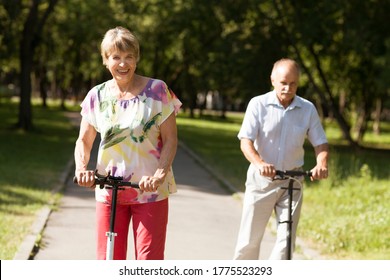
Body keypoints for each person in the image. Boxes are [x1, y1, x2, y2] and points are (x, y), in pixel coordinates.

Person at [74, 26, 182, 260]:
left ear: (136, 59)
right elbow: (84, 139)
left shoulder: (158, 91)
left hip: (149, 191)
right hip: (109, 191)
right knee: (108, 260)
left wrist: (159, 176)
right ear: (106, 60)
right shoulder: (97, 96)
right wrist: (81, 169)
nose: (123, 64)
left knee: (149, 263)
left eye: (128, 57)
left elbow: (171, 140)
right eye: (116, 57)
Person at [233, 58, 329, 260]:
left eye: (293, 83)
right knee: (249, 241)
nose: (288, 87)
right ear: (273, 80)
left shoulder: (307, 109)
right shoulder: (258, 104)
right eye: (284, 82)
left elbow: (320, 142)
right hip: (262, 182)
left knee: (286, 242)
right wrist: (260, 164)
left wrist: (321, 163)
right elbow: (245, 141)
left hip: (292, 182)